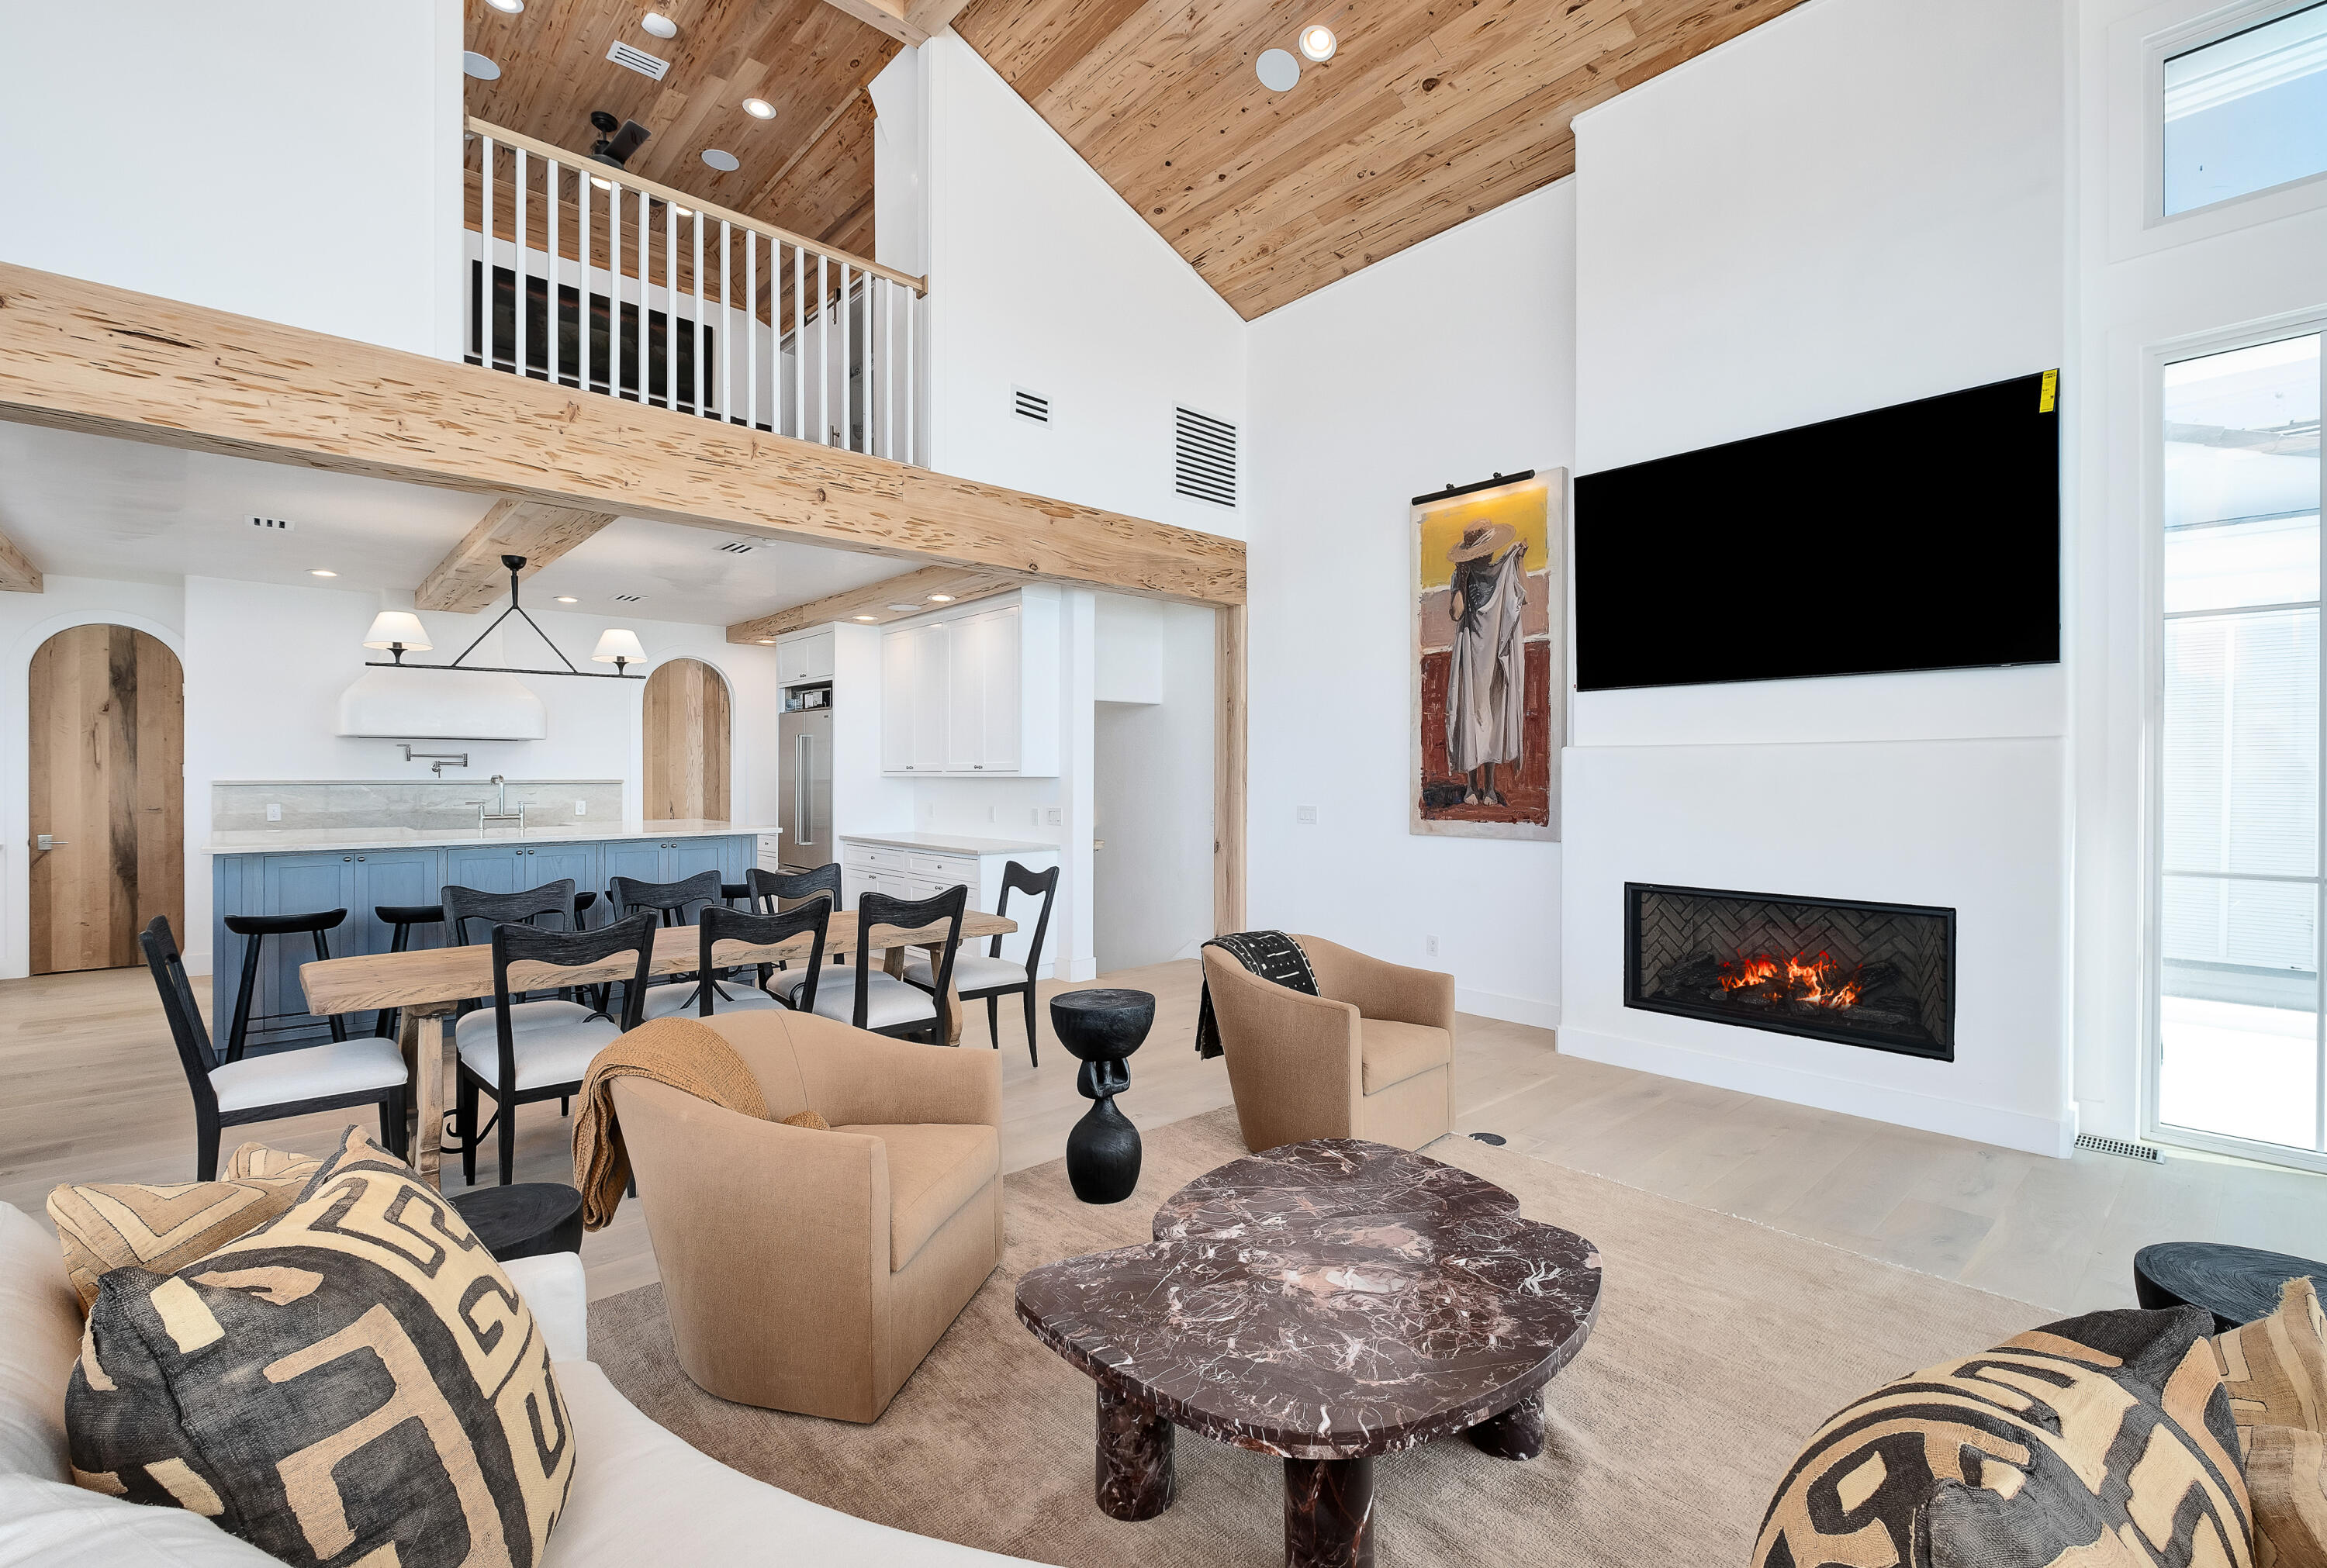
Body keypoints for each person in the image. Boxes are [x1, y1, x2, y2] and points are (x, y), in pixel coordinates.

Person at [1444, 521, 1527, 806]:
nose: (1489, 556)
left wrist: (1519, 562)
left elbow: (1520, 597)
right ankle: (1471, 785)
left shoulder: (1503, 569)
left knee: (1492, 712)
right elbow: (1456, 614)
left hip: (1494, 654)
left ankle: (1490, 785)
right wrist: (1462, 579)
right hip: (1471, 652)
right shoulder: (1460, 575)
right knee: (1471, 712)